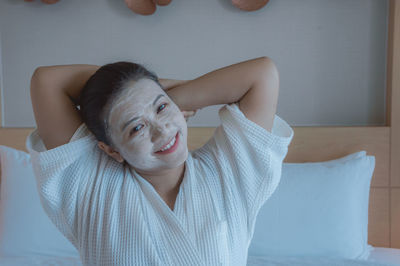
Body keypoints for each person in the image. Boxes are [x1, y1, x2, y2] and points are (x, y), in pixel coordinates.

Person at [26, 56, 294, 265]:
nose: (163, 130)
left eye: (162, 107)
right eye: (136, 128)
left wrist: (159, 93)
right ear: (112, 150)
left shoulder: (230, 173)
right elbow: (47, 81)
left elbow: (262, 74)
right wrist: (152, 93)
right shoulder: (91, 186)